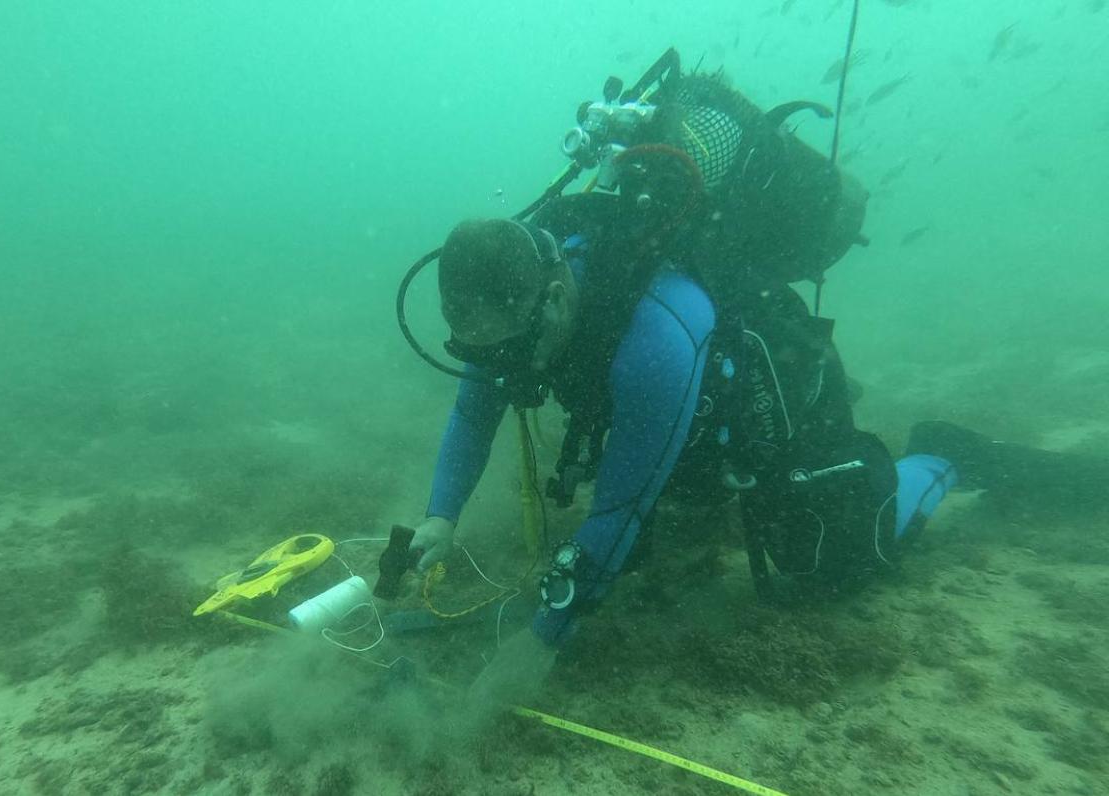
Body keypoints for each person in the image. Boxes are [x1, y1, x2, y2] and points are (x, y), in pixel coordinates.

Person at [401, 198, 1104, 686]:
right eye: (479, 350)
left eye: (509, 349)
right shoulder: (509, 310)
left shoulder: (653, 339)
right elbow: (474, 413)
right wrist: (440, 516)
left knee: (829, 560)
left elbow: (620, 505)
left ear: (553, 298)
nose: (499, 368)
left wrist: (540, 644)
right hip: (683, 417)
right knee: (642, 531)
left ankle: (944, 456)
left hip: (772, 390)